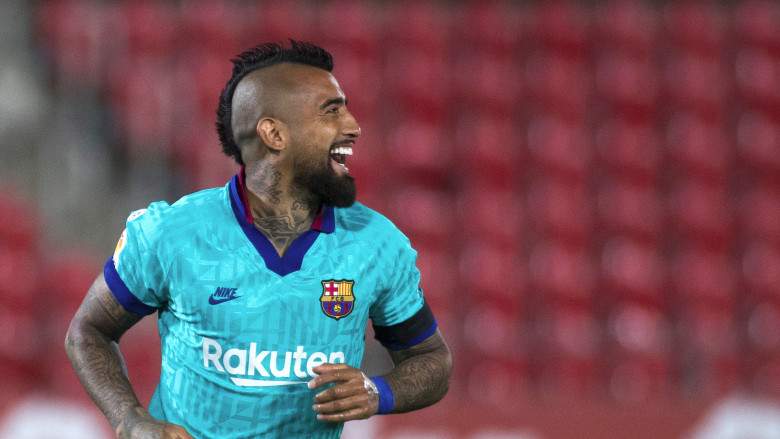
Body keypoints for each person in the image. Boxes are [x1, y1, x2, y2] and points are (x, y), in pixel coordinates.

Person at [65, 40, 452, 439]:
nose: (353, 126)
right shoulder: (170, 233)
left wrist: (379, 391)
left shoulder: (376, 243)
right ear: (274, 133)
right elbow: (89, 331)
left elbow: (432, 360)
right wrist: (130, 418)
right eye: (332, 111)